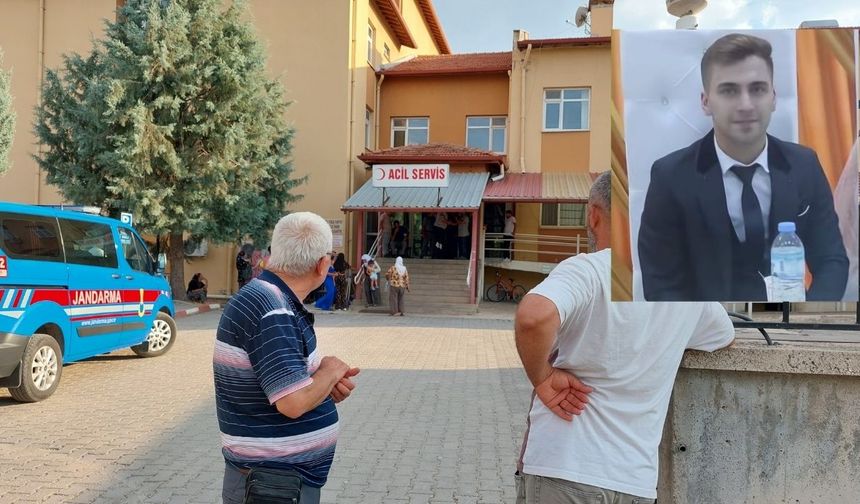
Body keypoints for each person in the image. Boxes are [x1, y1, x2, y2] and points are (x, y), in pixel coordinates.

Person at [514, 172, 735, 503]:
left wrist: (543, 378)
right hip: (635, 481)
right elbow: (723, 333)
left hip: (566, 466)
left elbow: (534, 317)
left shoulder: (588, 270)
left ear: (593, 214)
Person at [638, 33, 848, 301]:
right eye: (729, 90)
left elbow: (832, 260)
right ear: (705, 102)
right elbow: (661, 283)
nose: (746, 105)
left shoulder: (804, 164)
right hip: (711, 327)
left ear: (773, 97)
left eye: (758, 89)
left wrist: (804, 317)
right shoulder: (670, 177)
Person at [214, 212, 360, 504]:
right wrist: (330, 371)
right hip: (272, 486)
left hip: (275, 482)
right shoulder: (272, 310)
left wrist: (321, 390)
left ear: (273, 254)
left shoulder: (266, 298)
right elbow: (292, 403)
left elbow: (285, 384)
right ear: (323, 264)